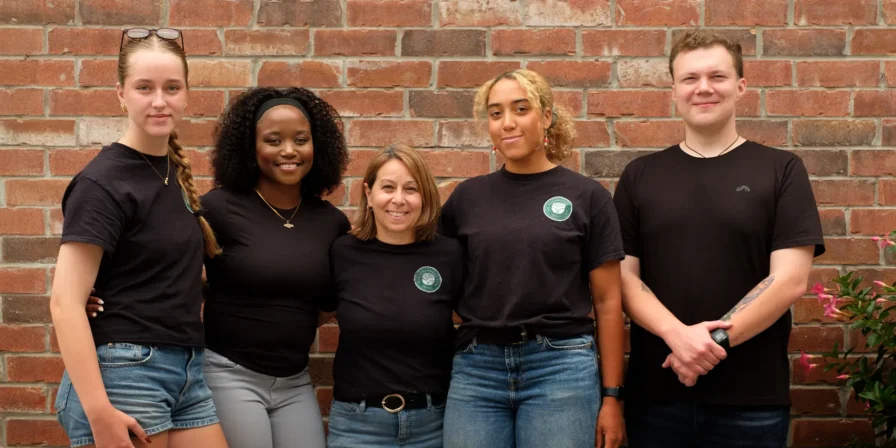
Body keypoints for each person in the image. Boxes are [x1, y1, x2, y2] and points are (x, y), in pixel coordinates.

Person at [88, 86, 351, 448]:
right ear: (249, 147)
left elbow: (327, 303)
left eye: (300, 140)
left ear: (316, 146)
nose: (289, 150)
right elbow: (166, 269)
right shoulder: (218, 209)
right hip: (230, 374)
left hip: (294, 380)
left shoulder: (331, 223)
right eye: (273, 140)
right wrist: (98, 295)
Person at [614, 29, 825, 448]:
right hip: (655, 397)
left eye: (717, 76)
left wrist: (707, 345)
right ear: (673, 89)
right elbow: (622, 279)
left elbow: (790, 279)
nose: (703, 88)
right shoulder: (640, 175)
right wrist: (678, 336)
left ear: (741, 86)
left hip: (751, 400)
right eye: (690, 78)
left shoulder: (781, 170)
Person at [51, 28, 228, 448]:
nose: (160, 100)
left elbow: (159, 273)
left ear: (186, 94)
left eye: (171, 87)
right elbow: (64, 302)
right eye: (144, 88)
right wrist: (99, 412)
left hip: (186, 370)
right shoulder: (103, 181)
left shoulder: (171, 175)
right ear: (121, 93)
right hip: (125, 372)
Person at [440, 69, 627, 448]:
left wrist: (611, 397)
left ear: (546, 117)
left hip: (560, 367)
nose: (507, 122)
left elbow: (608, 303)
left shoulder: (587, 196)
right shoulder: (466, 198)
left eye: (520, 109)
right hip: (478, 370)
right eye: (495, 113)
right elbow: (438, 288)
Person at [326, 144, 463, 448]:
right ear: (368, 193)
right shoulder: (343, 252)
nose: (398, 199)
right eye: (387, 187)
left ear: (424, 196)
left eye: (411, 189)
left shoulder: (449, 254)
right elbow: (316, 313)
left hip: (434, 424)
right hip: (357, 426)